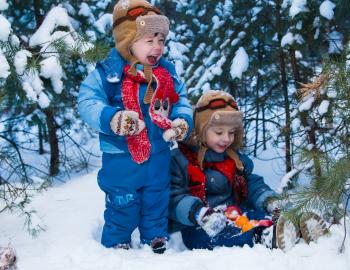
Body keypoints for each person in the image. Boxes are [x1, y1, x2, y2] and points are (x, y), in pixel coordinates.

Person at [78, 0, 193, 254]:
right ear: (128, 40)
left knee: (156, 197)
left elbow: (181, 100)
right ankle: (117, 241)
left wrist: (182, 120)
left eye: (161, 40)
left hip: (158, 154)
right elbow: (86, 101)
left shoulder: (166, 74)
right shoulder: (109, 73)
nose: (158, 47)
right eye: (150, 40)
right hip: (122, 159)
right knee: (122, 202)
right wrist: (112, 118)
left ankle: (155, 236)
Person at [168, 90, 328, 251]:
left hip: (235, 213)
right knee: (218, 236)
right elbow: (174, 197)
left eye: (231, 133)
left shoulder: (234, 160)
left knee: (260, 217)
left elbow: (252, 185)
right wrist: (198, 212)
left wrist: (268, 200)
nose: (226, 138)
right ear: (201, 130)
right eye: (219, 132)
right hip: (200, 224)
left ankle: (296, 227)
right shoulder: (183, 159)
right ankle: (264, 236)